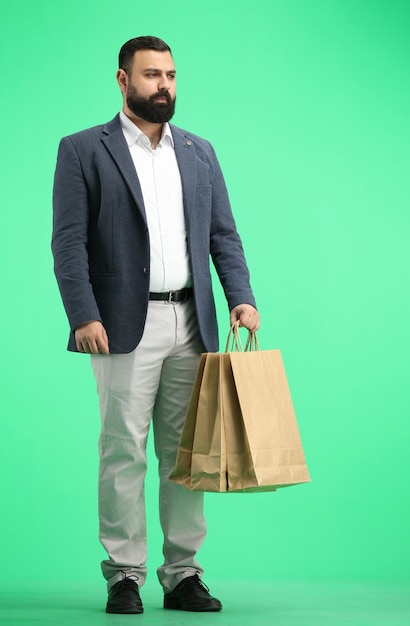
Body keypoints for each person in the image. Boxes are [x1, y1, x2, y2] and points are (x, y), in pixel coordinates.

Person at [52, 35, 260, 615]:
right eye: (151, 75)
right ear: (123, 81)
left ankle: (183, 575)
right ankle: (123, 575)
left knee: (185, 454)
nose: (163, 85)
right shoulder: (82, 150)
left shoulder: (198, 151)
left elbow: (223, 234)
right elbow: (67, 244)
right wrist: (84, 314)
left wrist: (240, 297)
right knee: (123, 450)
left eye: (170, 75)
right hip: (120, 324)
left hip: (192, 321)